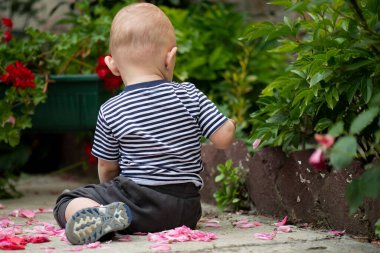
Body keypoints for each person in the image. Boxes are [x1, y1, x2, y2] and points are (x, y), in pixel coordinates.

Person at [53, 2, 236, 245]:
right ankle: (106, 219)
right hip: (186, 209)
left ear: (112, 65)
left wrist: (111, 196)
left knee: (66, 201)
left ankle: (101, 217)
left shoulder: (111, 109)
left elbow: (107, 168)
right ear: (170, 58)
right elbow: (223, 138)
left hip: (136, 208)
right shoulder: (188, 94)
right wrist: (230, 122)